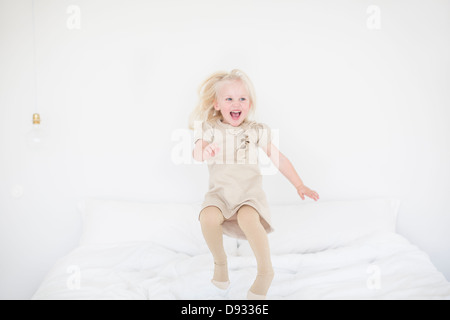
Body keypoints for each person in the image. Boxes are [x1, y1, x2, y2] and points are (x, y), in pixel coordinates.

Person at [189, 69, 319, 300]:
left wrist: (299, 185)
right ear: (217, 104)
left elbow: (278, 158)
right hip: (219, 196)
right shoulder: (210, 128)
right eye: (229, 99)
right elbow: (197, 153)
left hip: (248, 196)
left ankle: (265, 271)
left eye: (242, 98)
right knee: (207, 216)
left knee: (248, 218)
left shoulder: (256, 131)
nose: (236, 103)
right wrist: (204, 150)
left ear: (250, 103)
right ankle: (220, 265)